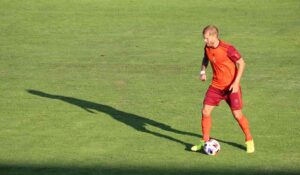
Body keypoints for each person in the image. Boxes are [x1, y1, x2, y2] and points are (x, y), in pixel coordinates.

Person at [191, 25, 254, 153]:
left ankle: (249, 140)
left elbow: (241, 63)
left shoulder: (228, 48)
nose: (205, 41)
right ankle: (204, 141)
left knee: (237, 115)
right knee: (205, 112)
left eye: (206, 38)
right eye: (204, 38)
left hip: (231, 88)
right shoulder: (207, 47)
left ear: (214, 36)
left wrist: (236, 83)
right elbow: (206, 57)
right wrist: (203, 71)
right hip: (215, 87)